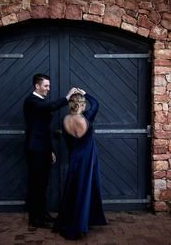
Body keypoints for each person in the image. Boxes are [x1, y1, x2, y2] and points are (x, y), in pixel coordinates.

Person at [23, 74, 77, 229]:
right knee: (36, 186)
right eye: (46, 86)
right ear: (37, 86)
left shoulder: (40, 101)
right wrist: (67, 98)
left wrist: (51, 151)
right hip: (34, 151)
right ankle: (35, 219)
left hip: (43, 150)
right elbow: (49, 107)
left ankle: (43, 214)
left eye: (49, 85)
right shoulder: (31, 101)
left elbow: (44, 130)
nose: (48, 88)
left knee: (43, 185)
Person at [53, 89, 107, 240]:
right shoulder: (88, 117)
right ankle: (80, 223)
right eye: (83, 104)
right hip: (88, 157)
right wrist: (86, 92)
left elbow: (68, 143)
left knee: (74, 188)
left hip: (75, 157)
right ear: (82, 105)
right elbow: (96, 103)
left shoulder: (65, 121)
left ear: (70, 104)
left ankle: (76, 219)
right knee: (86, 188)